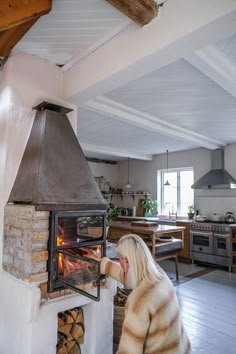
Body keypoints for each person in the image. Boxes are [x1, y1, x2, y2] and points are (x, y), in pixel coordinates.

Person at [92, 233, 191, 354]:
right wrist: (103, 263)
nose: (120, 263)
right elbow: (127, 274)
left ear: (127, 261)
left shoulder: (140, 300)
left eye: (120, 258)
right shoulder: (159, 275)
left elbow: (129, 350)